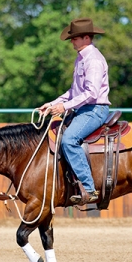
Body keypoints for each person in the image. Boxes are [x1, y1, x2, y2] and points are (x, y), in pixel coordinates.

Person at [38, 18, 111, 205]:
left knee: (69, 140)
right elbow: (74, 91)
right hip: (83, 108)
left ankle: (89, 188)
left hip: (95, 109)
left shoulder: (93, 60)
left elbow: (92, 93)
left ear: (87, 37)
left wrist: (65, 106)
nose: (72, 41)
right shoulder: (81, 58)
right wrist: (53, 103)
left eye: (75, 38)